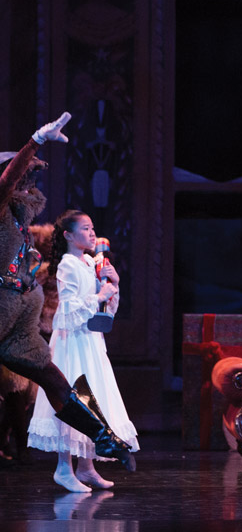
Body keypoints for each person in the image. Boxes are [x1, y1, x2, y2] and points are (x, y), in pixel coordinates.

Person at [0, 113, 134, 474]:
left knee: (51, 378)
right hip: (1, 310)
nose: (30, 184)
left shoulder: (17, 218)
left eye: (32, 179)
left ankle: (100, 436)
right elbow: (7, 179)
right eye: (25, 178)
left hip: (17, 316)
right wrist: (35, 141)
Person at [27, 210, 139, 492]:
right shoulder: (67, 264)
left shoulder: (90, 262)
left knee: (94, 399)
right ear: (68, 235)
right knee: (74, 397)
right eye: (86, 229)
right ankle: (64, 468)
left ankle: (87, 468)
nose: (92, 233)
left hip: (89, 340)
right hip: (71, 343)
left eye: (92, 228)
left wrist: (112, 285)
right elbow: (65, 312)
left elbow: (104, 308)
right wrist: (97, 296)